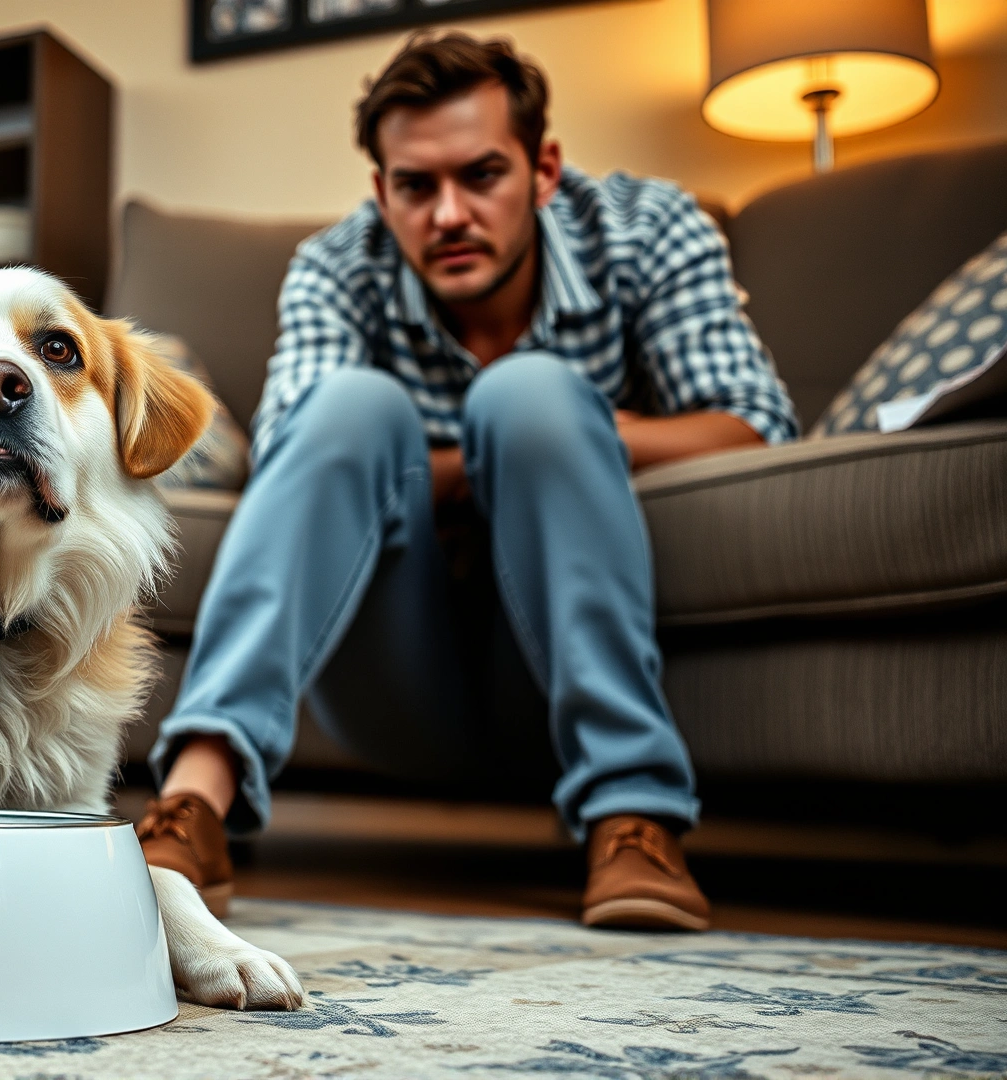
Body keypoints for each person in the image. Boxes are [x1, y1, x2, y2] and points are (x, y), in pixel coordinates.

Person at [133, 31, 797, 931]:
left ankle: (633, 818)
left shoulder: (650, 229)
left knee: (533, 396)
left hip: (558, 662)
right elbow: (300, 462)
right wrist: (468, 459)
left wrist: (553, 437)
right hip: (396, 677)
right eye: (416, 186)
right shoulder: (337, 265)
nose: (448, 214)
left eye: (481, 175)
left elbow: (753, 427)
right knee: (348, 409)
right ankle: (194, 805)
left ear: (545, 168)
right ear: (381, 191)